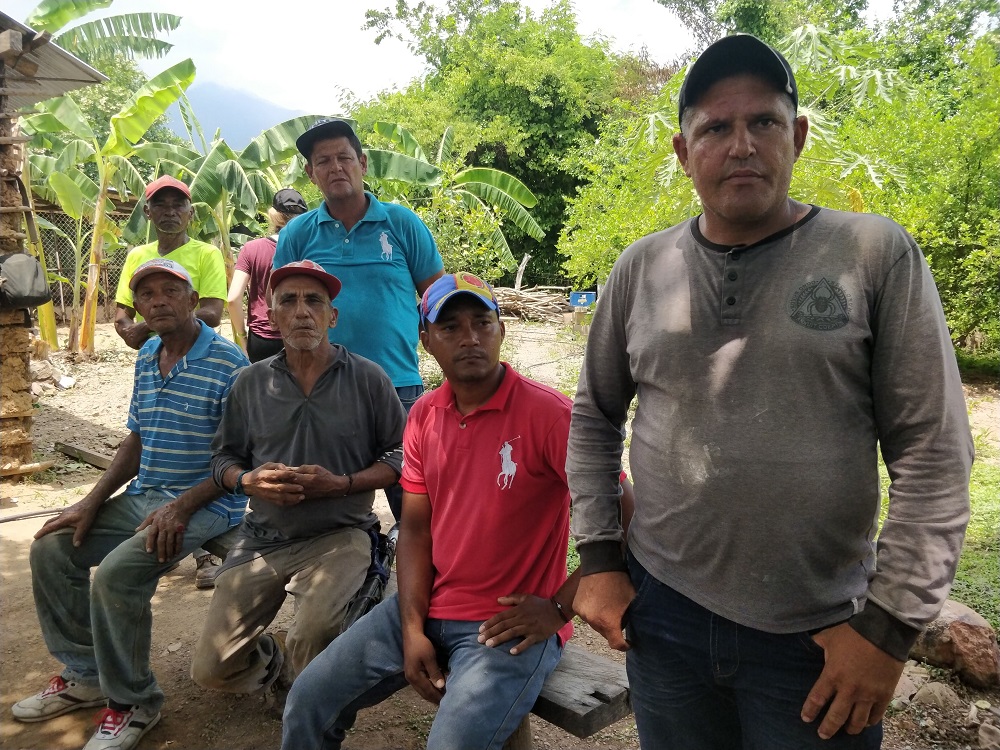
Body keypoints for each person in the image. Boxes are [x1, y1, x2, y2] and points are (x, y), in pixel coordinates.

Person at [566, 33, 974, 750]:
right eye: (715, 129)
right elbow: (595, 415)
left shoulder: (873, 253)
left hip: (821, 634)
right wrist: (598, 558)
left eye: (764, 122)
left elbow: (934, 451)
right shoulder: (642, 267)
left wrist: (887, 630)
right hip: (664, 616)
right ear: (682, 151)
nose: (742, 145)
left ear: (799, 136)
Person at [281, 272, 633, 750]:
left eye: (481, 323)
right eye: (449, 327)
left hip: (509, 626)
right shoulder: (424, 415)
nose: (469, 338)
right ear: (426, 340)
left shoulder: (550, 415)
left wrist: (557, 607)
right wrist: (411, 628)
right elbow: (415, 531)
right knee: (307, 700)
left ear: (501, 330)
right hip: (428, 606)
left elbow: (627, 512)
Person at [11, 259, 249, 750]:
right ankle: (87, 674)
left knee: (118, 575)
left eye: (170, 290)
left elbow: (242, 457)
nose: (157, 301)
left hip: (209, 503)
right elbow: (137, 439)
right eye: (146, 294)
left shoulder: (230, 364)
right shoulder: (147, 356)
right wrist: (90, 501)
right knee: (52, 548)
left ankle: (134, 702)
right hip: (146, 495)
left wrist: (181, 508)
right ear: (136, 307)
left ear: (192, 300)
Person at [191, 260, 406, 701]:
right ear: (272, 318)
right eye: (288, 301)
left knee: (314, 634)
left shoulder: (368, 378)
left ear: (333, 316)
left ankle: (311, 705)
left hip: (342, 535)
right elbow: (223, 459)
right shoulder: (249, 383)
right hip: (263, 538)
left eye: (314, 301)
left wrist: (343, 483)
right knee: (212, 669)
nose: (302, 311)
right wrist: (247, 480)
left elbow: (402, 455)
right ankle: (275, 665)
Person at [273, 118, 444, 521]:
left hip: (399, 384)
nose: (335, 167)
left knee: (416, 503)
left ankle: (416, 562)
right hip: (325, 387)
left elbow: (438, 301)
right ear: (310, 173)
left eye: (344, 157)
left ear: (362, 163)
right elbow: (279, 303)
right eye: (323, 161)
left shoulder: (402, 224)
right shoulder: (298, 234)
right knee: (329, 499)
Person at [114, 174, 231, 589]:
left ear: (189, 213)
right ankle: (160, 528)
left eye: (177, 205)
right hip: (156, 359)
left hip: (201, 360)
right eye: (160, 205)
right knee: (157, 437)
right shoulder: (137, 256)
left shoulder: (206, 254)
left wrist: (149, 322)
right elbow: (122, 312)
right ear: (147, 212)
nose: (169, 212)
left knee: (205, 441)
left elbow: (212, 313)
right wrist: (131, 330)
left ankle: (202, 548)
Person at [227, 188, 309, 362]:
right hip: (300, 333)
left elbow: (233, 299)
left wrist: (242, 337)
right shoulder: (309, 249)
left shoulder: (252, 248)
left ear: (273, 216)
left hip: (261, 339)